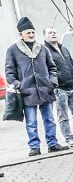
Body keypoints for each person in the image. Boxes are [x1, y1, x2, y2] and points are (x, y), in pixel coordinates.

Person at [5, 16, 63, 157]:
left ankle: (52, 144)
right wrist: (20, 86)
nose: (31, 35)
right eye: (28, 32)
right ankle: (34, 147)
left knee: (49, 119)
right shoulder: (12, 50)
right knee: (31, 121)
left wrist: (52, 82)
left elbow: (52, 68)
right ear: (21, 34)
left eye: (32, 32)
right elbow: (9, 73)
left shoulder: (42, 49)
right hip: (27, 92)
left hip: (45, 90)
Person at [42, 28, 73, 147]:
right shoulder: (44, 51)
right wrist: (55, 82)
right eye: (50, 33)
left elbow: (71, 64)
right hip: (59, 89)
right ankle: (70, 139)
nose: (53, 34)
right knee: (63, 116)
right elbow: (45, 70)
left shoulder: (63, 49)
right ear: (45, 37)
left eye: (54, 32)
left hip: (71, 87)